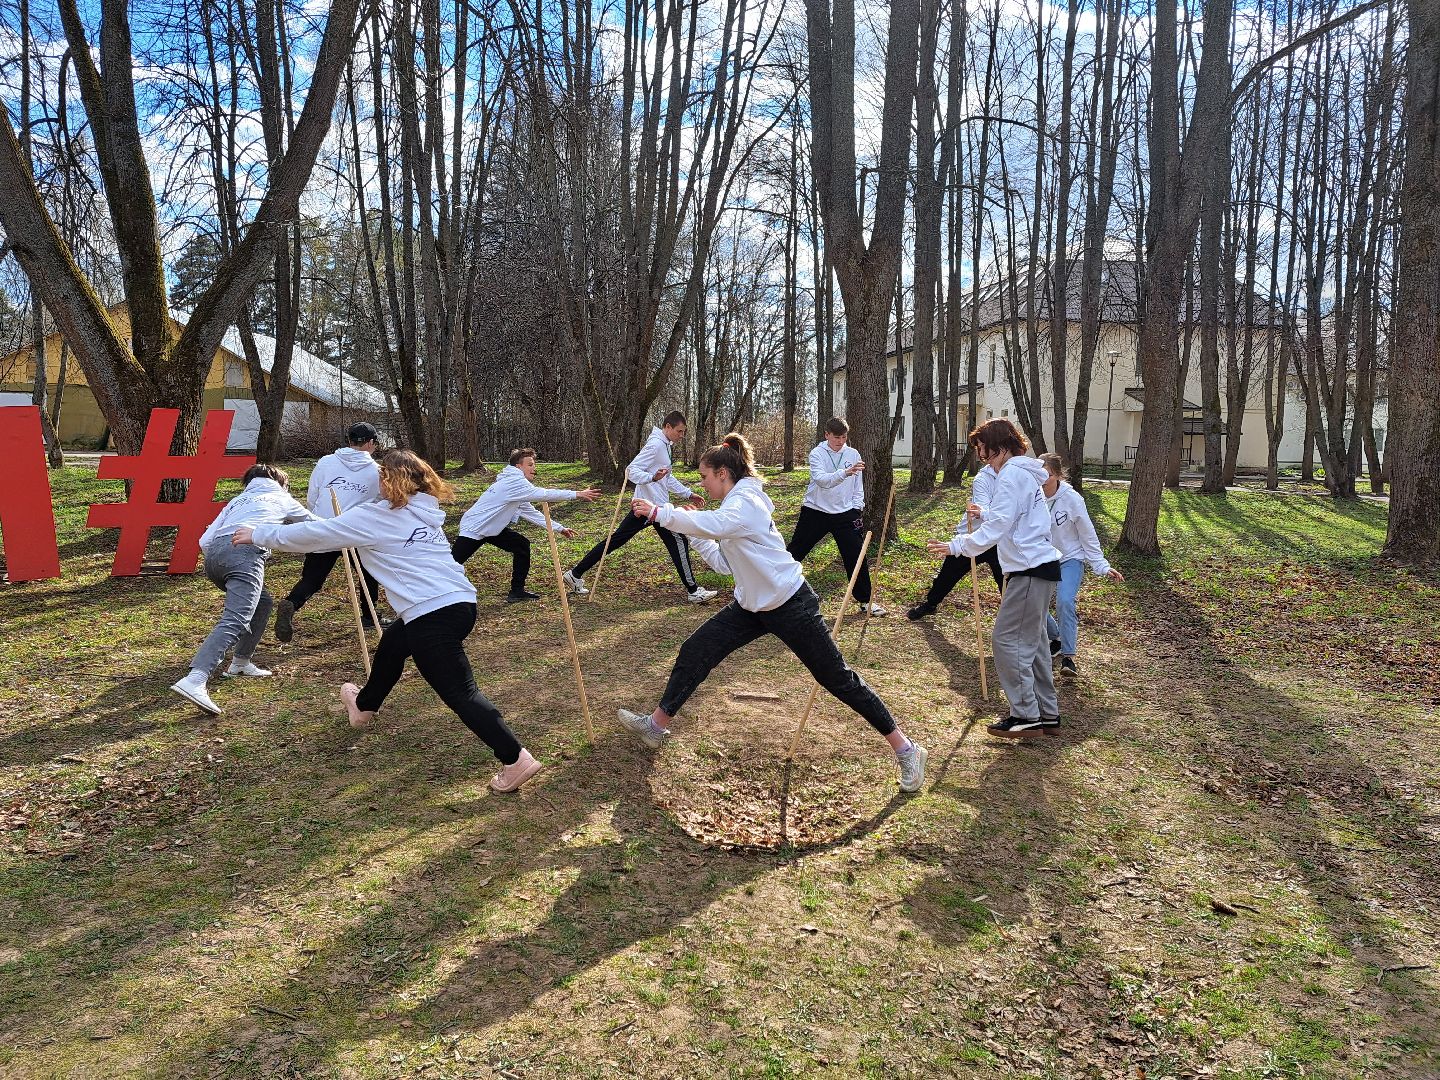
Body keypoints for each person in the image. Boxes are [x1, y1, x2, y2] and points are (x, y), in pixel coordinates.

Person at [618, 433, 927, 792]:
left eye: (703, 476)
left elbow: (717, 525)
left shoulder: (746, 501)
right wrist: (695, 533)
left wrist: (661, 512)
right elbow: (722, 562)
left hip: (790, 603)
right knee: (696, 650)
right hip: (750, 606)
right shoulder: (733, 506)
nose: (699, 484)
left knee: (837, 678)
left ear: (722, 473)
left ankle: (906, 750)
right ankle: (655, 727)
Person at [232, 449, 543, 793]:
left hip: (432, 613)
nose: (376, 481)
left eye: (381, 475)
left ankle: (516, 759)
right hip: (461, 604)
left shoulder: (374, 517)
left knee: (460, 692)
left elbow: (316, 535)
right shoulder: (425, 512)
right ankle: (364, 706)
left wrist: (258, 534)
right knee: (394, 644)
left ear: (389, 480)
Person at [926, 420, 1061, 740]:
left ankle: (1026, 714)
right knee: (1037, 644)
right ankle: (1046, 712)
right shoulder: (1023, 474)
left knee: (1006, 640)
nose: (981, 456)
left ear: (999, 447)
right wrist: (985, 514)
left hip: (1030, 572)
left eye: (983, 449)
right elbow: (1013, 518)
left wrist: (956, 546)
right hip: (1039, 569)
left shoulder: (1012, 475)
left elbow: (998, 528)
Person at [170, 464, 316, 715]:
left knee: (262, 603)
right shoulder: (280, 496)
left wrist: (224, 555)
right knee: (235, 618)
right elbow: (313, 524)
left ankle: (240, 662)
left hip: (214, 558)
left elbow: (204, 540)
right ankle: (196, 678)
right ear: (281, 482)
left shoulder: (238, 500)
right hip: (245, 554)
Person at [563, 411, 718, 603]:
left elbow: (667, 478)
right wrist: (651, 477)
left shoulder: (665, 446)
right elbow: (631, 470)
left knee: (616, 541)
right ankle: (694, 591)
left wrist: (688, 493)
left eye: (684, 432)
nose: (682, 436)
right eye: (679, 431)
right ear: (667, 427)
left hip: (651, 506)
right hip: (650, 507)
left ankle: (575, 573)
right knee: (678, 541)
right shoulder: (655, 445)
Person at [274, 422, 385, 643]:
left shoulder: (326, 462)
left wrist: (317, 518)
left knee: (313, 579)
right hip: (354, 529)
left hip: (323, 526)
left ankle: (292, 603)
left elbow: (313, 494)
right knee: (368, 575)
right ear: (371, 443)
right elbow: (379, 501)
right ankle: (369, 617)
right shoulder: (377, 471)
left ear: (349, 441)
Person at [453, 449, 601, 602]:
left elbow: (530, 512)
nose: (533, 468)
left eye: (534, 464)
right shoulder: (514, 482)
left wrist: (559, 528)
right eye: (529, 465)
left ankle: (517, 591)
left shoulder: (514, 484)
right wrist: (577, 494)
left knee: (521, 545)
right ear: (518, 467)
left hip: (492, 529)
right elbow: (543, 494)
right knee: (451, 564)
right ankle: (433, 591)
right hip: (474, 529)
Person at [787, 417, 886, 616]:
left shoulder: (853, 453)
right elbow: (822, 480)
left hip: (845, 514)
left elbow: (858, 486)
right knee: (795, 552)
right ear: (826, 435)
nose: (840, 441)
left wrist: (857, 507)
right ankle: (772, 589)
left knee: (855, 556)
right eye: (836, 437)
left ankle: (865, 601)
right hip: (815, 511)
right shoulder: (817, 453)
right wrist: (844, 473)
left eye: (843, 437)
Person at [1038, 453, 1124, 677]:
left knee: (1065, 601)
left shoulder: (1072, 499)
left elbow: (1088, 535)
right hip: (1042, 560)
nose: (1042, 479)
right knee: (1034, 604)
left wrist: (1102, 565)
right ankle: (1055, 638)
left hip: (1069, 559)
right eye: (1038, 474)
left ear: (1057, 474)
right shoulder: (1032, 496)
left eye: (1046, 474)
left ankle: (1068, 657)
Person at [907, 457, 1005, 621]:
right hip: (973, 535)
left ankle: (1012, 615)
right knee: (949, 573)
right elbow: (982, 508)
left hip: (998, 539)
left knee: (1005, 580)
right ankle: (931, 603)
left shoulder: (1014, 475)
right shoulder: (983, 478)